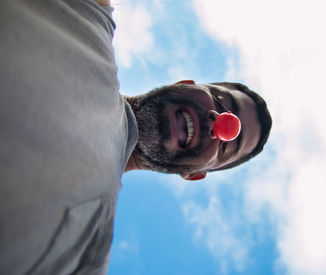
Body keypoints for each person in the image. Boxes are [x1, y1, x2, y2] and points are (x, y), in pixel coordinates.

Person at [0, 0, 272, 274]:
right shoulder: (87, 19)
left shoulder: (86, 254)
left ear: (196, 174)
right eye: (221, 100)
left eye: (227, 146)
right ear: (185, 85)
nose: (221, 123)